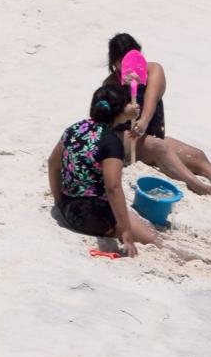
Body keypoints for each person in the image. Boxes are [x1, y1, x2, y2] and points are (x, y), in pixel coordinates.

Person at [103, 32, 211, 199]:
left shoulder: (154, 70)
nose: (129, 65)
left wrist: (143, 121)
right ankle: (199, 186)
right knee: (159, 147)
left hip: (148, 132)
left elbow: (152, 97)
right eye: (122, 61)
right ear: (114, 62)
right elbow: (110, 118)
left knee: (197, 155)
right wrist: (127, 112)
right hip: (124, 138)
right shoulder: (110, 83)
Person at [47, 82, 174, 255]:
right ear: (121, 111)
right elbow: (113, 187)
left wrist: (58, 199)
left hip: (67, 209)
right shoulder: (111, 141)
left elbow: (52, 164)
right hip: (91, 218)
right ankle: (176, 252)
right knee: (155, 240)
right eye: (129, 103)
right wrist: (126, 232)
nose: (134, 105)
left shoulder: (74, 129)